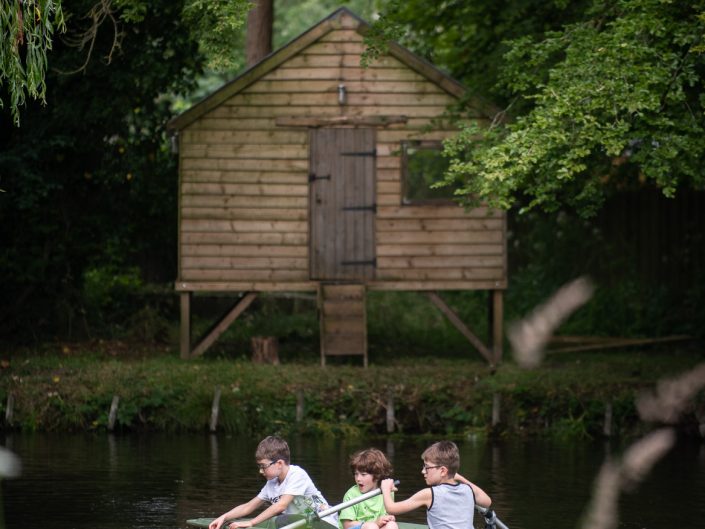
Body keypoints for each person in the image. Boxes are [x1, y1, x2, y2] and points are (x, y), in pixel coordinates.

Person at [209, 436, 338, 529]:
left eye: (263, 466)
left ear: (279, 463)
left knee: (278, 520)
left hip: (323, 523)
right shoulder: (271, 484)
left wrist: (252, 523)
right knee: (280, 521)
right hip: (299, 525)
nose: (260, 471)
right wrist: (224, 517)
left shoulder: (297, 474)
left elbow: (280, 506)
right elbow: (248, 507)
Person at [380, 441, 492, 529]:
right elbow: (487, 501)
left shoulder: (429, 494)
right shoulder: (468, 489)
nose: (423, 471)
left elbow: (392, 509)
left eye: (427, 467)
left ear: (443, 471)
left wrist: (385, 488)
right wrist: (459, 477)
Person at [338, 448, 399, 529]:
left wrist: (389, 518)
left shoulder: (387, 491)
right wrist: (375, 523)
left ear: (377, 476)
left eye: (363, 474)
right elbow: (346, 525)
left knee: (392, 525)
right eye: (356, 474)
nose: (358, 478)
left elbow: (388, 515)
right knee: (371, 527)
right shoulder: (351, 494)